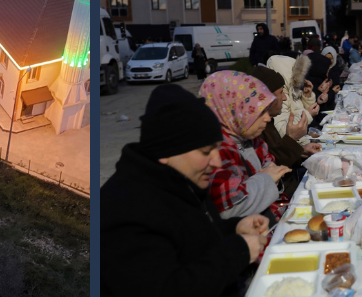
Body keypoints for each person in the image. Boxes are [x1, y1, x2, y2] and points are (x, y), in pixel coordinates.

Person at [101, 85, 267, 297]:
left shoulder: (182, 178)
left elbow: (190, 235)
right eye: (206, 151)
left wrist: (233, 228)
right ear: (166, 151)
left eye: (217, 148)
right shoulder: (126, 211)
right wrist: (237, 252)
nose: (217, 162)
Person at [199, 71, 290, 220]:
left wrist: (272, 177)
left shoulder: (251, 139)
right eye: (259, 112)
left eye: (267, 111)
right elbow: (230, 206)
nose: (267, 118)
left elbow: (270, 164)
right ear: (235, 110)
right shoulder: (216, 151)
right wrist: (267, 178)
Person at [252, 65, 322, 192]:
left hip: (290, 183)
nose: (284, 98)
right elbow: (271, 168)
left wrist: (301, 151)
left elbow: (274, 155)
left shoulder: (268, 122)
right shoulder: (254, 130)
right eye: (280, 93)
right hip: (284, 192)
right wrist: (291, 139)